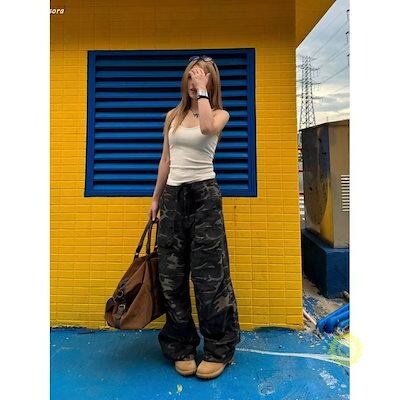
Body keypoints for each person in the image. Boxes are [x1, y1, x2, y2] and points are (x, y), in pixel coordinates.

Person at [148, 55, 241, 380]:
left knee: (210, 278)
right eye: (190, 76)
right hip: (173, 198)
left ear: (211, 83)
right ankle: (180, 345)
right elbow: (166, 160)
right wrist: (156, 198)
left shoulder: (219, 114)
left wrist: (203, 92)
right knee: (171, 277)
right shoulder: (172, 116)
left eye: (200, 77)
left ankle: (219, 349)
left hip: (204, 197)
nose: (193, 82)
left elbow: (205, 128)